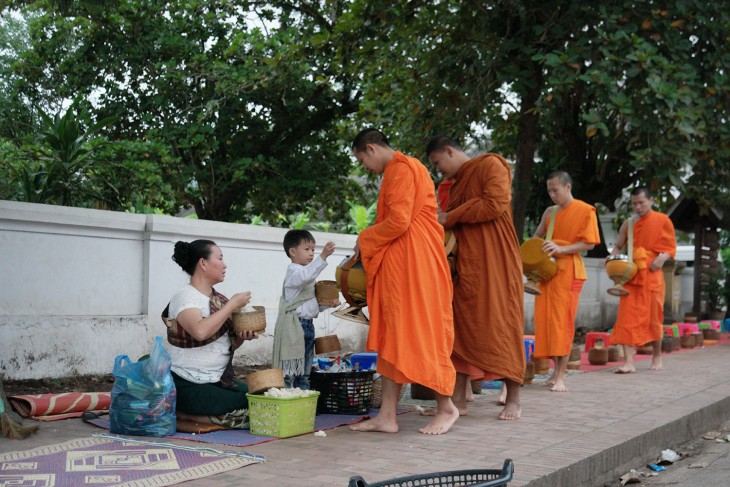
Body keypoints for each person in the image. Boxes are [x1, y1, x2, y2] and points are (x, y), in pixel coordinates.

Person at [348, 128, 458, 435]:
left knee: (421, 332)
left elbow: (398, 222)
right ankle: (387, 416)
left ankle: (447, 406)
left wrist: (364, 236)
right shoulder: (397, 170)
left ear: (370, 149)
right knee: (393, 337)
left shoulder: (403, 168)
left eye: (361, 160)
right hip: (403, 265)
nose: (365, 168)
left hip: (417, 264)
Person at [426, 135, 525, 420]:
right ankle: (458, 400)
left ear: (448, 151)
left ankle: (513, 400)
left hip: (496, 261)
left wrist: (450, 216)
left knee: (501, 323)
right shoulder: (454, 184)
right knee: (460, 328)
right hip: (466, 265)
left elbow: (494, 204)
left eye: (438, 162)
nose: (438, 170)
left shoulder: (491, 164)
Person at [164, 239, 258, 430]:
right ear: (203, 263)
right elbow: (200, 332)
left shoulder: (216, 300)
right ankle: (185, 414)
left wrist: (241, 337)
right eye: (220, 258)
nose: (225, 265)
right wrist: (232, 304)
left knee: (262, 395)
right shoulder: (185, 296)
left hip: (218, 381)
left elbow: (223, 345)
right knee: (254, 405)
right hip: (188, 383)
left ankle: (195, 415)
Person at [532, 171, 601, 392]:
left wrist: (561, 248)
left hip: (569, 271)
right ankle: (554, 371)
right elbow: (537, 236)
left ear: (568, 187)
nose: (552, 195)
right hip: (547, 271)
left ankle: (562, 374)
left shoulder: (584, 210)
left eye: (556, 190)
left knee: (562, 322)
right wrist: (531, 253)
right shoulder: (550, 212)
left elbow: (589, 244)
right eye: (549, 191)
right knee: (547, 322)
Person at [608, 186, 676, 373]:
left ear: (651, 200)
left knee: (654, 318)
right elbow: (618, 246)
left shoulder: (663, 220)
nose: (637, 207)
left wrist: (661, 258)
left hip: (652, 275)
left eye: (641, 203)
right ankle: (629, 362)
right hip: (631, 275)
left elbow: (670, 248)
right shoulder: (628, 224)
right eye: (634, 203)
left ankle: (657, 356)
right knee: (626, 318)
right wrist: (611, 257)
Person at [272, 229, 339, 389]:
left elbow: (310, 305)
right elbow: (307, 276)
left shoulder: (306, 275)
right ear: (293, 252)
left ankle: (303, 403)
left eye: (313, 250)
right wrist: (322, 257)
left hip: (307, 326)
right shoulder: (294, 273)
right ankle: (288, 402)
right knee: (290, 371)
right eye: (307, 249)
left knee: (305, 371)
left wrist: (326, 304)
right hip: (295, 327)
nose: (311, 254)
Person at [436, 176, 477, 404]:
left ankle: (463, 391)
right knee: (450, 339)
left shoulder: (452, 229)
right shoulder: (440, 229)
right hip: (444, 285)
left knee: (462, 334)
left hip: (462, 276)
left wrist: (448, 218)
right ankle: (458, 395)